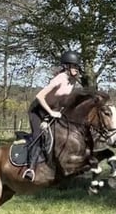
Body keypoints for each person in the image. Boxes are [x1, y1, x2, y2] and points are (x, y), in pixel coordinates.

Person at [23, 50, 83, 181]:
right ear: (66, 66)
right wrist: (49, 114)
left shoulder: (73, 81)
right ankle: (30, 169)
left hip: (53, 110)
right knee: (38, 135)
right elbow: (39, 96)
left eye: (77, 66)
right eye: (74, 66)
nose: (76, 69)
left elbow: (63, 100)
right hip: (38, 109)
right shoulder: (59, 79)